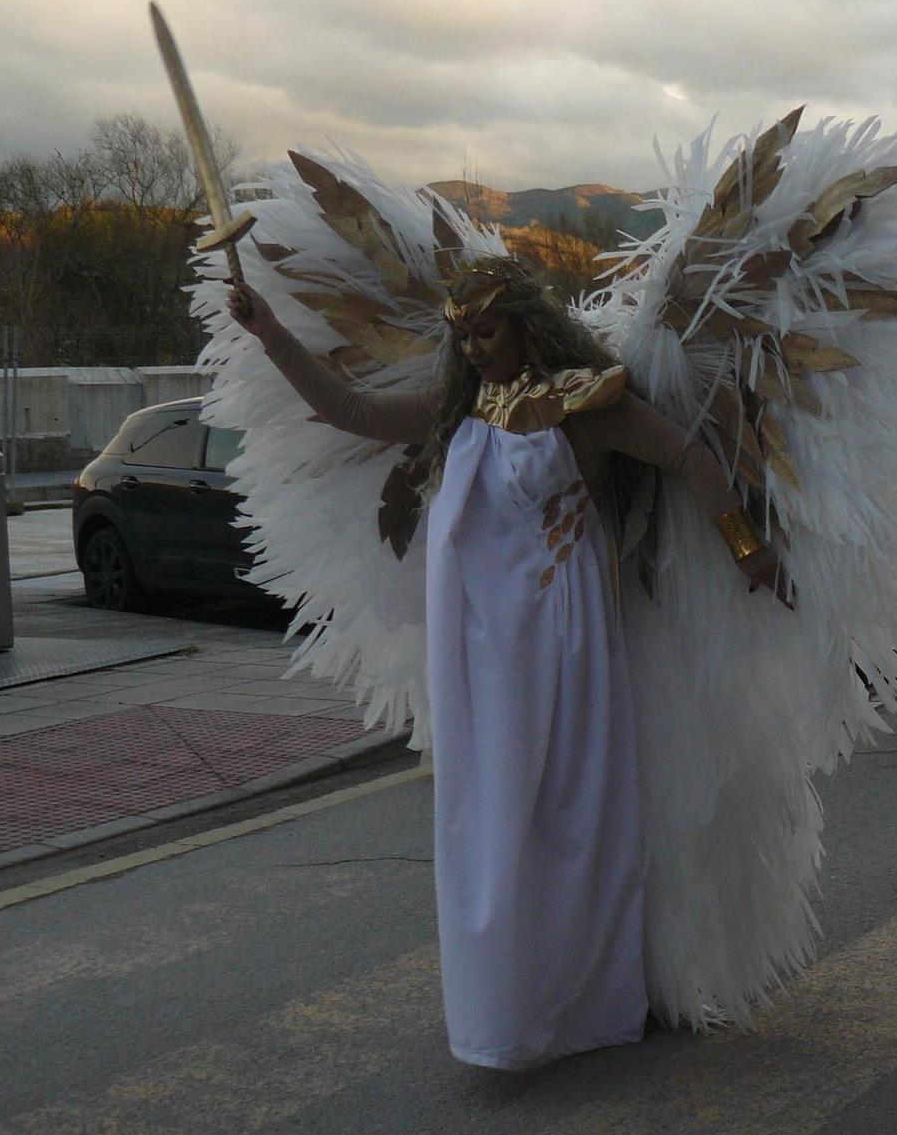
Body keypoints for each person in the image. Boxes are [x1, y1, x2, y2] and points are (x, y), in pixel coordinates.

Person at [227, 256, 786, 1069]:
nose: (475, 347)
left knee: (568, 821)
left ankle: (586, 1007)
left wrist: (748, 551)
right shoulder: (462, 413)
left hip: (562, 644)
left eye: (486, 329)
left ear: (528, 323)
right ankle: (511, 1014)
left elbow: (690, 459)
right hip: (478, 655)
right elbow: (347, 407)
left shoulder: (584, 406)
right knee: (488, 828)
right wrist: (269, 331)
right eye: (463, 335)